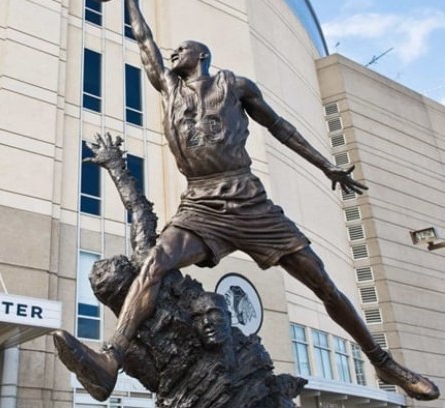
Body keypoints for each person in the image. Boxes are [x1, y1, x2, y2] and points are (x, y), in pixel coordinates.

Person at [54, 0, 440, 402]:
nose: (175, 52)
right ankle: (111, 360)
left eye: (183, 48)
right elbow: (143, 39)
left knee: (322, 282)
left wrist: (327, 165)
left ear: (202, 55)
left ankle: (383, 361)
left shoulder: (236, 87)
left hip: (248, 199)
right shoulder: (170, 87)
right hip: (200, 203)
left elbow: (281, 127)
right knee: (155, 263)